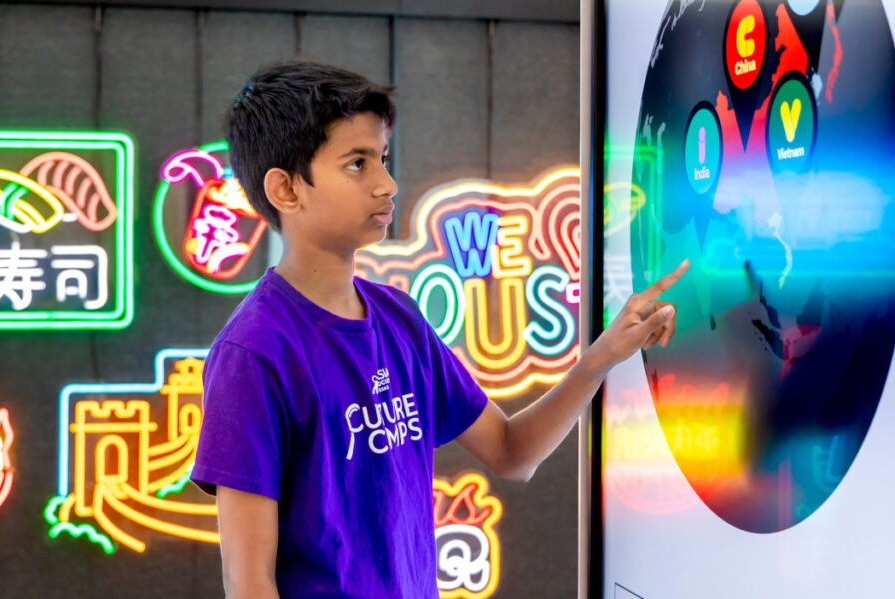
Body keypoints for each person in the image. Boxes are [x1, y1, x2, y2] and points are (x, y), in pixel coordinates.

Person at [190, 60, 688, 598]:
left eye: (381, 158)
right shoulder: (254, 352)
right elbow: (248, 583)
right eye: (357, 164)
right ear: (286, 190)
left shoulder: (401, 319)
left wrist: (601, 357)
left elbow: (511, 451)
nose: (387, 184)